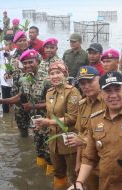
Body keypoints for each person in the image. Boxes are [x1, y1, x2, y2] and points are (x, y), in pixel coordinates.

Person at [68, 71, 122, 190]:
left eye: (117, 89)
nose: (113, 95)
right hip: (106, 185)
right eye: (108, 91)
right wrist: (79, 183)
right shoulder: (95, 119)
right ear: (102, 93)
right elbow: (89, 157)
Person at [0, 49, 51, 167]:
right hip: (35, 122)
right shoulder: (25, 78)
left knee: (50, 154)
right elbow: (20, 96)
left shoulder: (47, 80)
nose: (28, 65)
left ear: (37, 62)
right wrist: (4, 101)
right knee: (39, 149)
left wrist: (33, 106)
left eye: (30, 62)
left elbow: (54, 103)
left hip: (48, 122)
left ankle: (52, 181)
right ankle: (39, 177)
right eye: (25, 63)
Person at [35, 61, 81, 190]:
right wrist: (41, 124)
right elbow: (50, 116)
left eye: (58, 73)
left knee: (74, 175)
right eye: (51, 73)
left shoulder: (72, 92)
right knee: (58, 173)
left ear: (65, 74)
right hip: (54, 141)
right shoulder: (49, 92)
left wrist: (48, 122)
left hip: (69, 141)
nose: (54, 76)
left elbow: (72, 118)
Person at [67, 66, 104, 190]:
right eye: (82, 83)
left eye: (90, 81)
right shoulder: (82, 104)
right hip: (87, 162)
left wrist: (83, 141)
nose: (86, 86)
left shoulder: (109, 102)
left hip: (105, 160)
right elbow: (80, 134)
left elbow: (113, 135)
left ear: (99, 80)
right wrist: (79, 162)